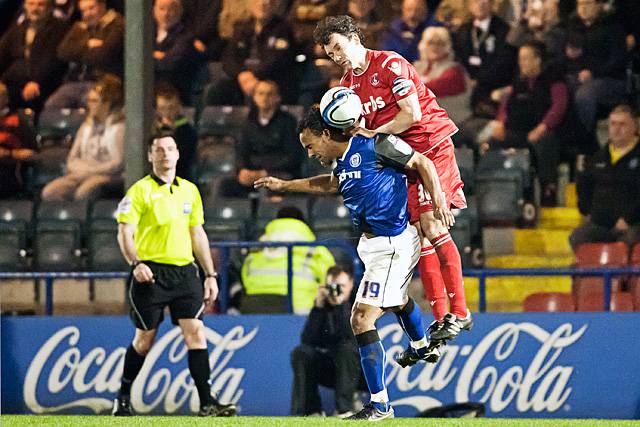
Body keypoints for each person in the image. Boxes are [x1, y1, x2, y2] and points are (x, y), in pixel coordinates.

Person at [255, 105, 455, 420]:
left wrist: (439, 201)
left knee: (361, 319)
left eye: (310, 145)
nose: (309, 153)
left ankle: (380, 405)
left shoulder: (377, 143)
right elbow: (331, 184)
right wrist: (284, 186)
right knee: (397, 300)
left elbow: (423, 162)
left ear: (324, 133)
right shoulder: (345, 161)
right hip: (372, 246)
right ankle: (421, 344)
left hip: (393, 243)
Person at [313, 15, 472, 342]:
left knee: (431, 225)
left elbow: (411, 114)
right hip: (405, 159)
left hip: (430, 145)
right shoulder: (346, 88)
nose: (337, 57)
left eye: (339, 48)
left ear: (354, 37)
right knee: (418, 235)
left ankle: (461, 313)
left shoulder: (390, 64)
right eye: (331, 54)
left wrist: (374, 132)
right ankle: (442, 317)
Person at [112, 134, 237, 417]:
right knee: (145, 339)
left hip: (184, 273)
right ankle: (122, 397)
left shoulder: (190, 191)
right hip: (151, 273)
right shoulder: (139, 191)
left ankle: (207, 403)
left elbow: (197, 233)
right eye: (159, 150)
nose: (165, 154)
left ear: (178, 154)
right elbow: (125, 232)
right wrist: (136, 263)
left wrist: (210, 274)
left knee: (196, 332)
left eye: (170, 149)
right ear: (150, 157)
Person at [482, 42, 570, 205]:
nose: (521, 63)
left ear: (537, 60)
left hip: (547, 131)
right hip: (519, 130)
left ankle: (548, 190)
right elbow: (505, 106)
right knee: (493, 141)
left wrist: (542, 127)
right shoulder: (519, 82)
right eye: (520, 59)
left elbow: (559, 106)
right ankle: (502, 193)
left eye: (525, 59)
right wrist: (500, 123)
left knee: (544, 142)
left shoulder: (554, 79)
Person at [290, 265, 362, 417]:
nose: (336, 291)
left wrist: (342, 306)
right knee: (301, 353)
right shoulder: (323, 308)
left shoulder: (360, 303)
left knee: (346, 349)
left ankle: (344, 409)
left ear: (350, 284)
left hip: (360, 371)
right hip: (332, 367)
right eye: (331, 286)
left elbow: (351, 339)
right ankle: (311, 411)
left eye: (340, 286)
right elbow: (308, 341)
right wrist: (318, 308)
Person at [41, 74, 124, 201]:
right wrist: (82, 171)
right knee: (50, 192)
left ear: (107, 104)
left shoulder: (119, 128)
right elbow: (72, 158)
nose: (89, 105)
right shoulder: (86, 126)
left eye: (94, 101)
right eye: (89, 100)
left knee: (84, 193)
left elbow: (118, 163)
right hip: (82, 172)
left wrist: (91, 171)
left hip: (108, 175)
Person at [241, 205, 335, 314]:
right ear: (303, 223)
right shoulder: (315, 248)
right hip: (299, 310)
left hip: (255, 307)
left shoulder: (258, 247)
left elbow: (245, 276)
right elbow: (332, 280)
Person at [569, 104, 640, 250]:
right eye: (613, 124)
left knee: (629, 241)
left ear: (635, 126)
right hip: (601, 224)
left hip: (633, 224)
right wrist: (587, 211)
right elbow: (586, 187)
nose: (616, 129)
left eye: (622, 124)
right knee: (578, 237)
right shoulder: (599, 156)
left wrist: (629, 219)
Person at [219, 80, 305, 198]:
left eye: (269, 94)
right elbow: (241, 152)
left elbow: (293, 157)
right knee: (226, 186)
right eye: (260, 93)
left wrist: (265, 172)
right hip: (253, 173)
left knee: (278, 186)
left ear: (277, 98)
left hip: (280, 173)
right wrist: (242, 170)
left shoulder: (289, 122)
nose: (264, 98)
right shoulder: (247, 123)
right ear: (254, 97)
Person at [46, 0, 124, 108]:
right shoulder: (80, 26)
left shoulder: (117, 24)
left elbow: (104, 55)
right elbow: (62, 51)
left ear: (102, 5)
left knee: (92, 108)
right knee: (51, 108)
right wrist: (87, 45)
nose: (87, 13)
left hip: (102, 82)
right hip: (74, 82)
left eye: (91, 8)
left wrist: (77, 52)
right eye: (83, 10)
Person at [0, 0, 69, 112]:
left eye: (40, 4)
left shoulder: (59, 28)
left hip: (40, 84)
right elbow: (3, 51)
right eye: (31, 4)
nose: (35, 8)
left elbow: (54, 60)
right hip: (12, 81)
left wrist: (37, 81)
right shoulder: (19, 27)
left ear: (49, 7)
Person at [413, 26, 471, 123]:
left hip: (453, 124)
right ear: (423, 45)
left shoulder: (455, 70)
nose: (435, 47)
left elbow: (430, 89)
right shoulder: (416, 66)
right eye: (431, 43)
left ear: (447, 47)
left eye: (440, 43)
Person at [0, 81, 37, 198]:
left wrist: (9, 154)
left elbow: (32, 154)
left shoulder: (19, 120)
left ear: (5, 99)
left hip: (9, 175)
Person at [154, 84, 197, 181]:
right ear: (157, 109)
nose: (167, 113)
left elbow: (183, 161)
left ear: (179, 108)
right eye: (162, 108)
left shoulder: (187, 131)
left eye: (171, 108)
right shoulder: (151, 129)